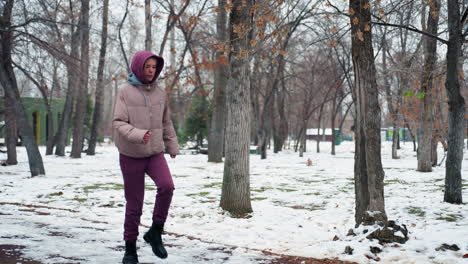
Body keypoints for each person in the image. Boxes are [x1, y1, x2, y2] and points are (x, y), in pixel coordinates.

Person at [113, 50, 179, 264]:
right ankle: (130, 249)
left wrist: (172, 144)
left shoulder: (160, 93)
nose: (151, 71)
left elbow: (166, 122)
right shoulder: (125, 91)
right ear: (138, 67)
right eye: (147, 67)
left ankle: (155, 232)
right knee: (135, 204)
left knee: (167, 187)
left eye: (154, 67)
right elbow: (118, 122)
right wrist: (139, 135)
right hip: (131, 154)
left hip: (154, 152)